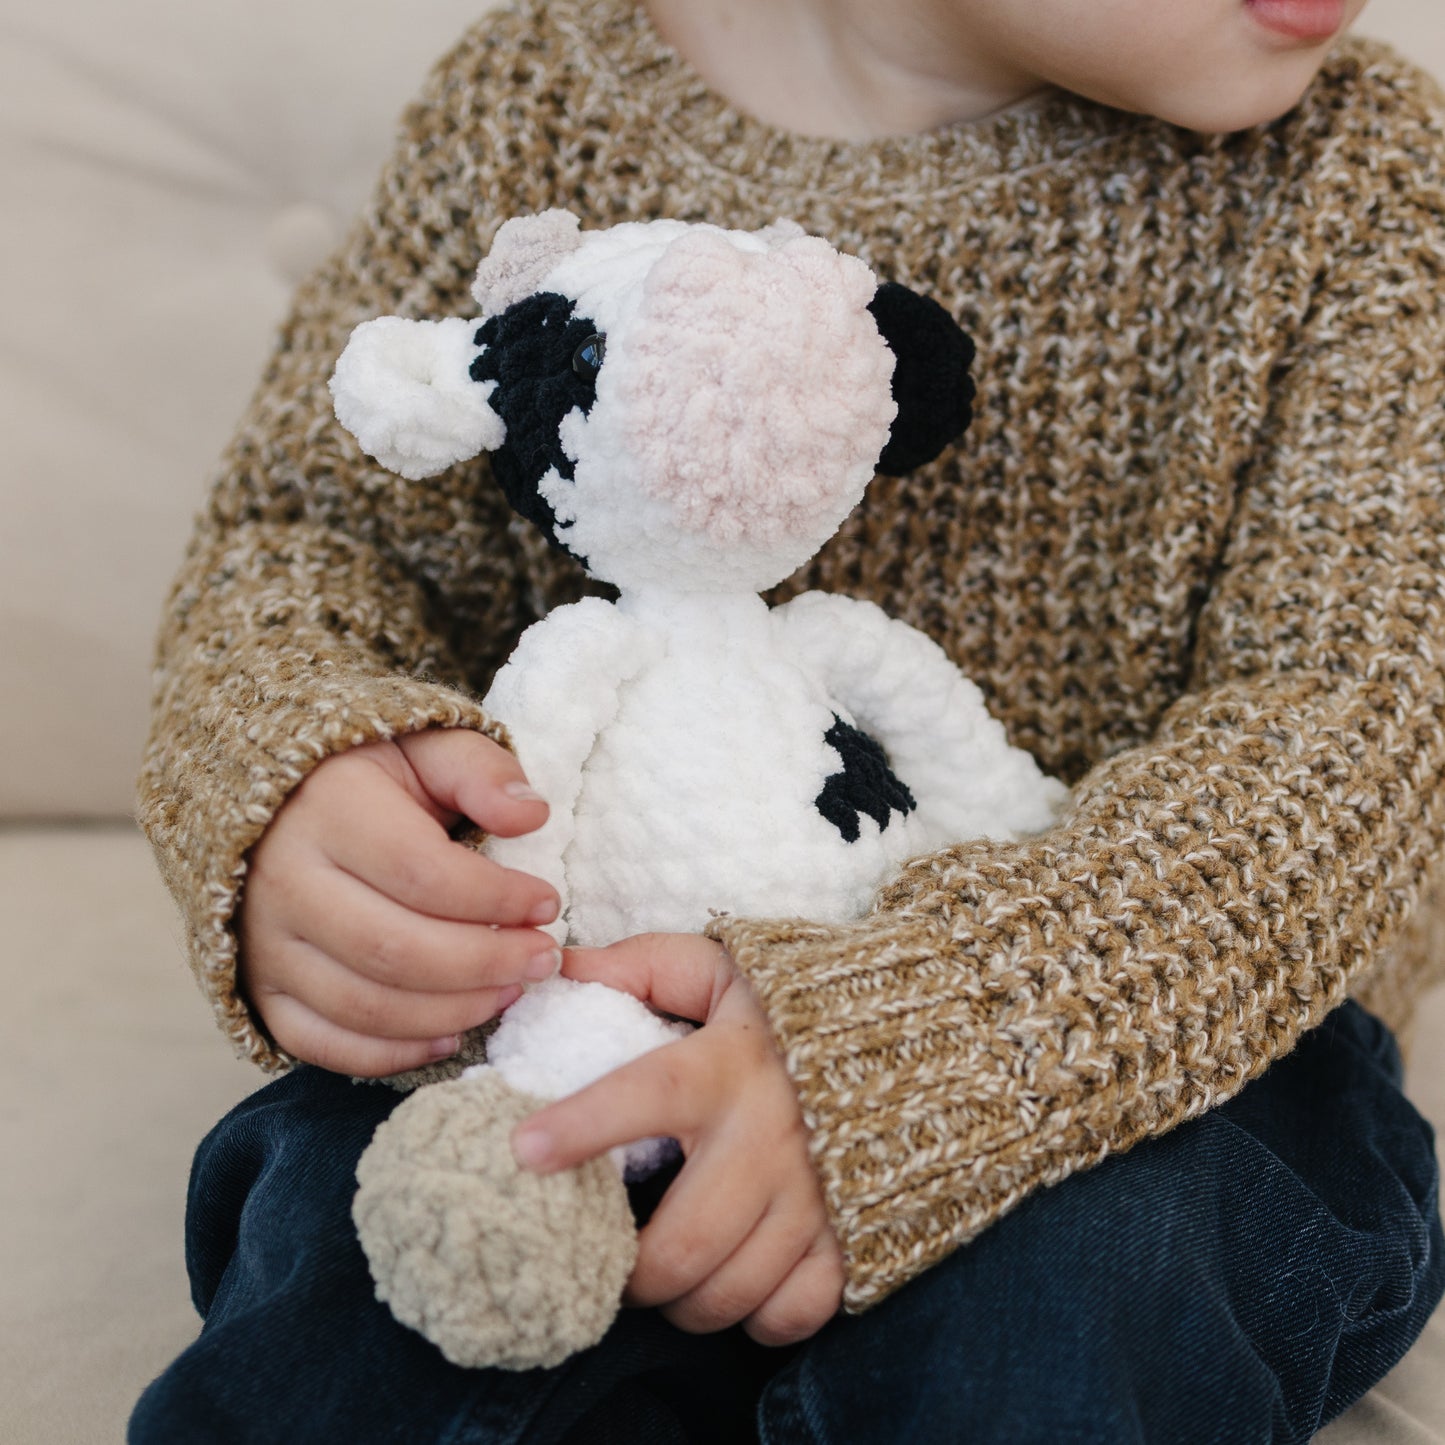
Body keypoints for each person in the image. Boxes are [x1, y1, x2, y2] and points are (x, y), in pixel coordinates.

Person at [129, 0, 1445, 1440]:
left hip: (1157, 1041)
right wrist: (307, 777)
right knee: (368, 1257)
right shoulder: (536, 95)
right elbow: (311, 543)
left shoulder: (1361, 179)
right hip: (570, 1007)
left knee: (1068, 1311)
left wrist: (946, 1035)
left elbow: (1352, 715)